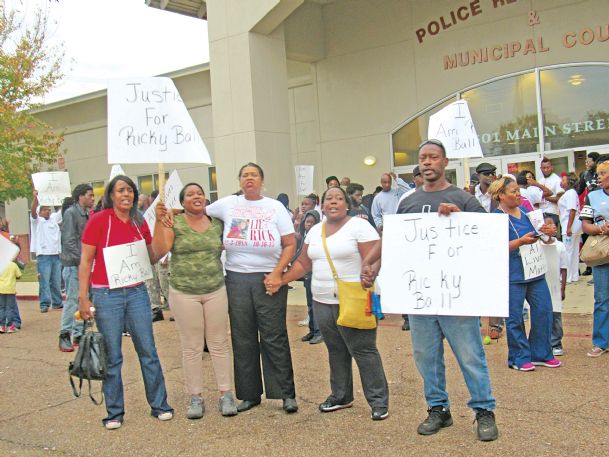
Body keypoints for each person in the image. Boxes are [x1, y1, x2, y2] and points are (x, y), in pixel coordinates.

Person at [361, 139, 498, 441]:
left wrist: (460, 217)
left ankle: (484, 410)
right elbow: (393, 241)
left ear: (444, 162)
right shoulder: (407, 201)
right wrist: (372, 265)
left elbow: (487, 239)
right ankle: (438, 408)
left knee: (470, 355)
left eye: (433, 157)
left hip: (456, 297)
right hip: (420, 297)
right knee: (426, 356)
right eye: (423, 157)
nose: (427, 162)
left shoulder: (463, 198)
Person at [272, 187, 389, 421]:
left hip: (354, 298)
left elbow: (376, 258)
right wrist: (280, 279)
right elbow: (304, 263)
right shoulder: (315, 231)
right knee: (336, 350)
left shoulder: (359, 226)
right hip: (322, 301)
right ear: (322, 206)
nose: (333, 202)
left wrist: (371, 273)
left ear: (347, 204)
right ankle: (341, 395)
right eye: (328, 199)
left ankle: (378, 401)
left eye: (338, 198)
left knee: (364, 350)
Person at [78, 175, 173, 430]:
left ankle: (160, 405)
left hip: (136, 293)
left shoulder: (139, 222)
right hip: (106, 294)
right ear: (111, 195)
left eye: (130, 190)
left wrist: (162, 225)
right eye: (121, 190)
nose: (126, 195)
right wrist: (83, 298)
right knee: (112, 355)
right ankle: (114, 412)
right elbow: (86, 260)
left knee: (148, 351)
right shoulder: (99, 221)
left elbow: (153, 256)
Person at [203, 163, 298, 413]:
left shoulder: (275, 207)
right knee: (243, 337)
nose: (249, 179)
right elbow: (196, 211)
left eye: (254, 175)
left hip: (268, 279)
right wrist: (169, 211)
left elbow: (290, 244)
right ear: (239, 181)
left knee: (274, 335)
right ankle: (249, 394)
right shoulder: (228, 205)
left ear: (262, 181)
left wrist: (278, 273)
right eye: (245, 175)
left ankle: (285, 393)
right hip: (236, 278)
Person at [152, 183, 238, 419]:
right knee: (192, 346)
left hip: (215, 290)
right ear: (182, 202)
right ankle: (195, 397)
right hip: (184, 292)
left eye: (199, 193)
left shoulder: (217, 223)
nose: (196, 196)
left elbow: (237, 234)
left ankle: (226, 394)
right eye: (190, 194)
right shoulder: (174, 222)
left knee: (219, 343)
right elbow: (157, 252)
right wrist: (160, 221)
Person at [488, 176, 561, 372]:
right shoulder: (496, 217)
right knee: (515, 317)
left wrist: (547, 231)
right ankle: (518, 357)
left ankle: (541, 353)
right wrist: (520, 242)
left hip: (534, 271)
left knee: (544, 311)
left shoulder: (526, 211)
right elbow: (494, 248)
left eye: (519, 191)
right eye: (513, 192)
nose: (518, 195)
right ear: (501, 195)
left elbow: (541, 235)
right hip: (513, 274)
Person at [58, 184, 95, 352]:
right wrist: (83, 260)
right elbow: (68, 241)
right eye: (90, 195)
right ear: (80, 196)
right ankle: (64, 334)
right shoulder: (71, 213)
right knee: (73, 300)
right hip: (74, 265)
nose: (93, 198)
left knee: (83, 299)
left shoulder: (87, 214)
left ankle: (78, 333)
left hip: (83, 265)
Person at [580, 160, 609, 357]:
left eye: (602, 173)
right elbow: (585, 225)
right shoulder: (592, 196)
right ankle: (601, 342)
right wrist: (600, 229)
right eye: (598, 173)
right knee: (602, 299)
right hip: (602, 253)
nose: (598, 177)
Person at [539, 214, 568, 356]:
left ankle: (556, 342)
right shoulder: (537, 244)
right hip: (540, 285)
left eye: (554, 224)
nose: (553, 227)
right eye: (548, 224)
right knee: (542, 313)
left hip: (555, 285)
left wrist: (563, 288)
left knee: (556, 314)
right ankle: (543, 342)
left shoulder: (560, 246)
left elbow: (564, 268)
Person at [30, 190, 63, 313]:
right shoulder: (37, 221)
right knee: (45, 281)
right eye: (44, 209)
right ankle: (44, 304)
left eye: (49, 209)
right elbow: (33, 211)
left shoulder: (53, 219)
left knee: (56, 281)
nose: (47, 211)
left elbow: (61, 210)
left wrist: (60, 196)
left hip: (55, 254)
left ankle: (57, 302)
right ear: (40, 211)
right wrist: (36, 198)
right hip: (43, 256)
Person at [294, 209, 322, 345]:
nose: (308, 224)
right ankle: (312, 330)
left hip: (315, 274)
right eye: (307, 222)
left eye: (312, 222)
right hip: (307, 275)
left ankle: (318, 332)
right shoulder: (305, 237)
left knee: (316, 305)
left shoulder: (317, 237)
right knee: (310, 304)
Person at [577, 152, 600, 277]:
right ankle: (591, 267)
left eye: (589, 161)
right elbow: (579, 189)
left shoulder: (601, 173)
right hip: (590, 208)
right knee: (589, 239)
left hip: (601, 209)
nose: (586, 163)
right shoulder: (585, 175)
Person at [558, 172, 582, 283]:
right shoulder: (570, 193)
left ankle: (567, 276)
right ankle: (574, 275)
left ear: (569, 182)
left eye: (563, 180)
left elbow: (572, 210)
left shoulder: (570, 193)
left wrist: (568, 227)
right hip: (573, 224)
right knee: (573, 250)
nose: (561, 182)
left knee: (568, 251)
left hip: (570, 224)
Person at [539, 157, 564, 231]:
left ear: (552, 167)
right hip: (542, 213)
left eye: (547, 167)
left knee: (551, 236)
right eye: (544, 168)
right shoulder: (540, 181)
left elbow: (560, 199)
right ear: (540, 168)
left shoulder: (557, 180)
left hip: (553, 213)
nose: (546, 170)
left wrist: (544, 197)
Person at [0, 254, 22, 333]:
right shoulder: (13, 265)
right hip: (10, 289)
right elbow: (19, 275)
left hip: (1, 289)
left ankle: (1, 326)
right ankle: (10, 326)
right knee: (10, 308)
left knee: (1, 308)